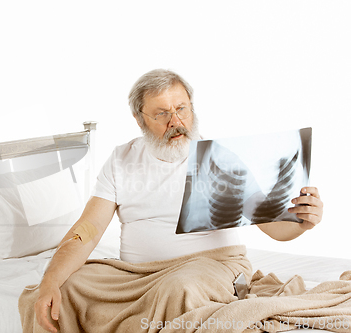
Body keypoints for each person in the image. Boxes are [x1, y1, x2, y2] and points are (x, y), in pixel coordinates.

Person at [32, 69, 324, 333]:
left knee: (180, 288)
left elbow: (275, 227)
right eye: (161, 114)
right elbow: (89, 228)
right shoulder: (121, 159)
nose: (176, 121)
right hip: (139, 277)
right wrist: (49, 281)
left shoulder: (217, 159)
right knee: (65, 287)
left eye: (181, 109)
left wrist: (302, 222)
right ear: (139, 119)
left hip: (211, 267)